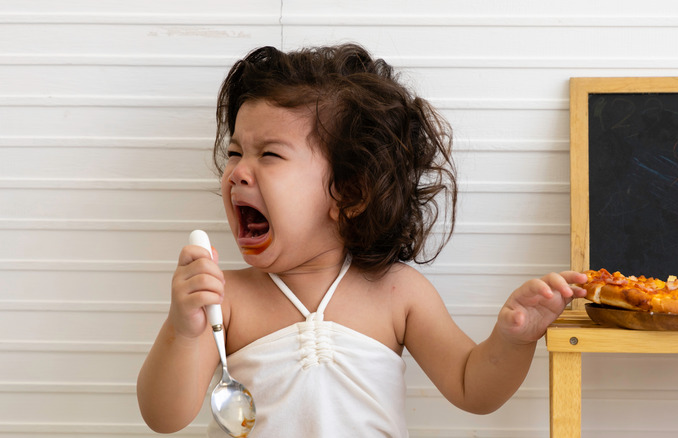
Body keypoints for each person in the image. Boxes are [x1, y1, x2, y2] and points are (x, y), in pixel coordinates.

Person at [136, 43, 586, 437]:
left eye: (268, 154)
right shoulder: (224, 300)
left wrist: (513, 341)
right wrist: (182, 328)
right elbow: (164, 416)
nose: (237, 172)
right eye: (234, 153)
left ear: (350, 193)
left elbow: (473, 388)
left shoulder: (398, 293)